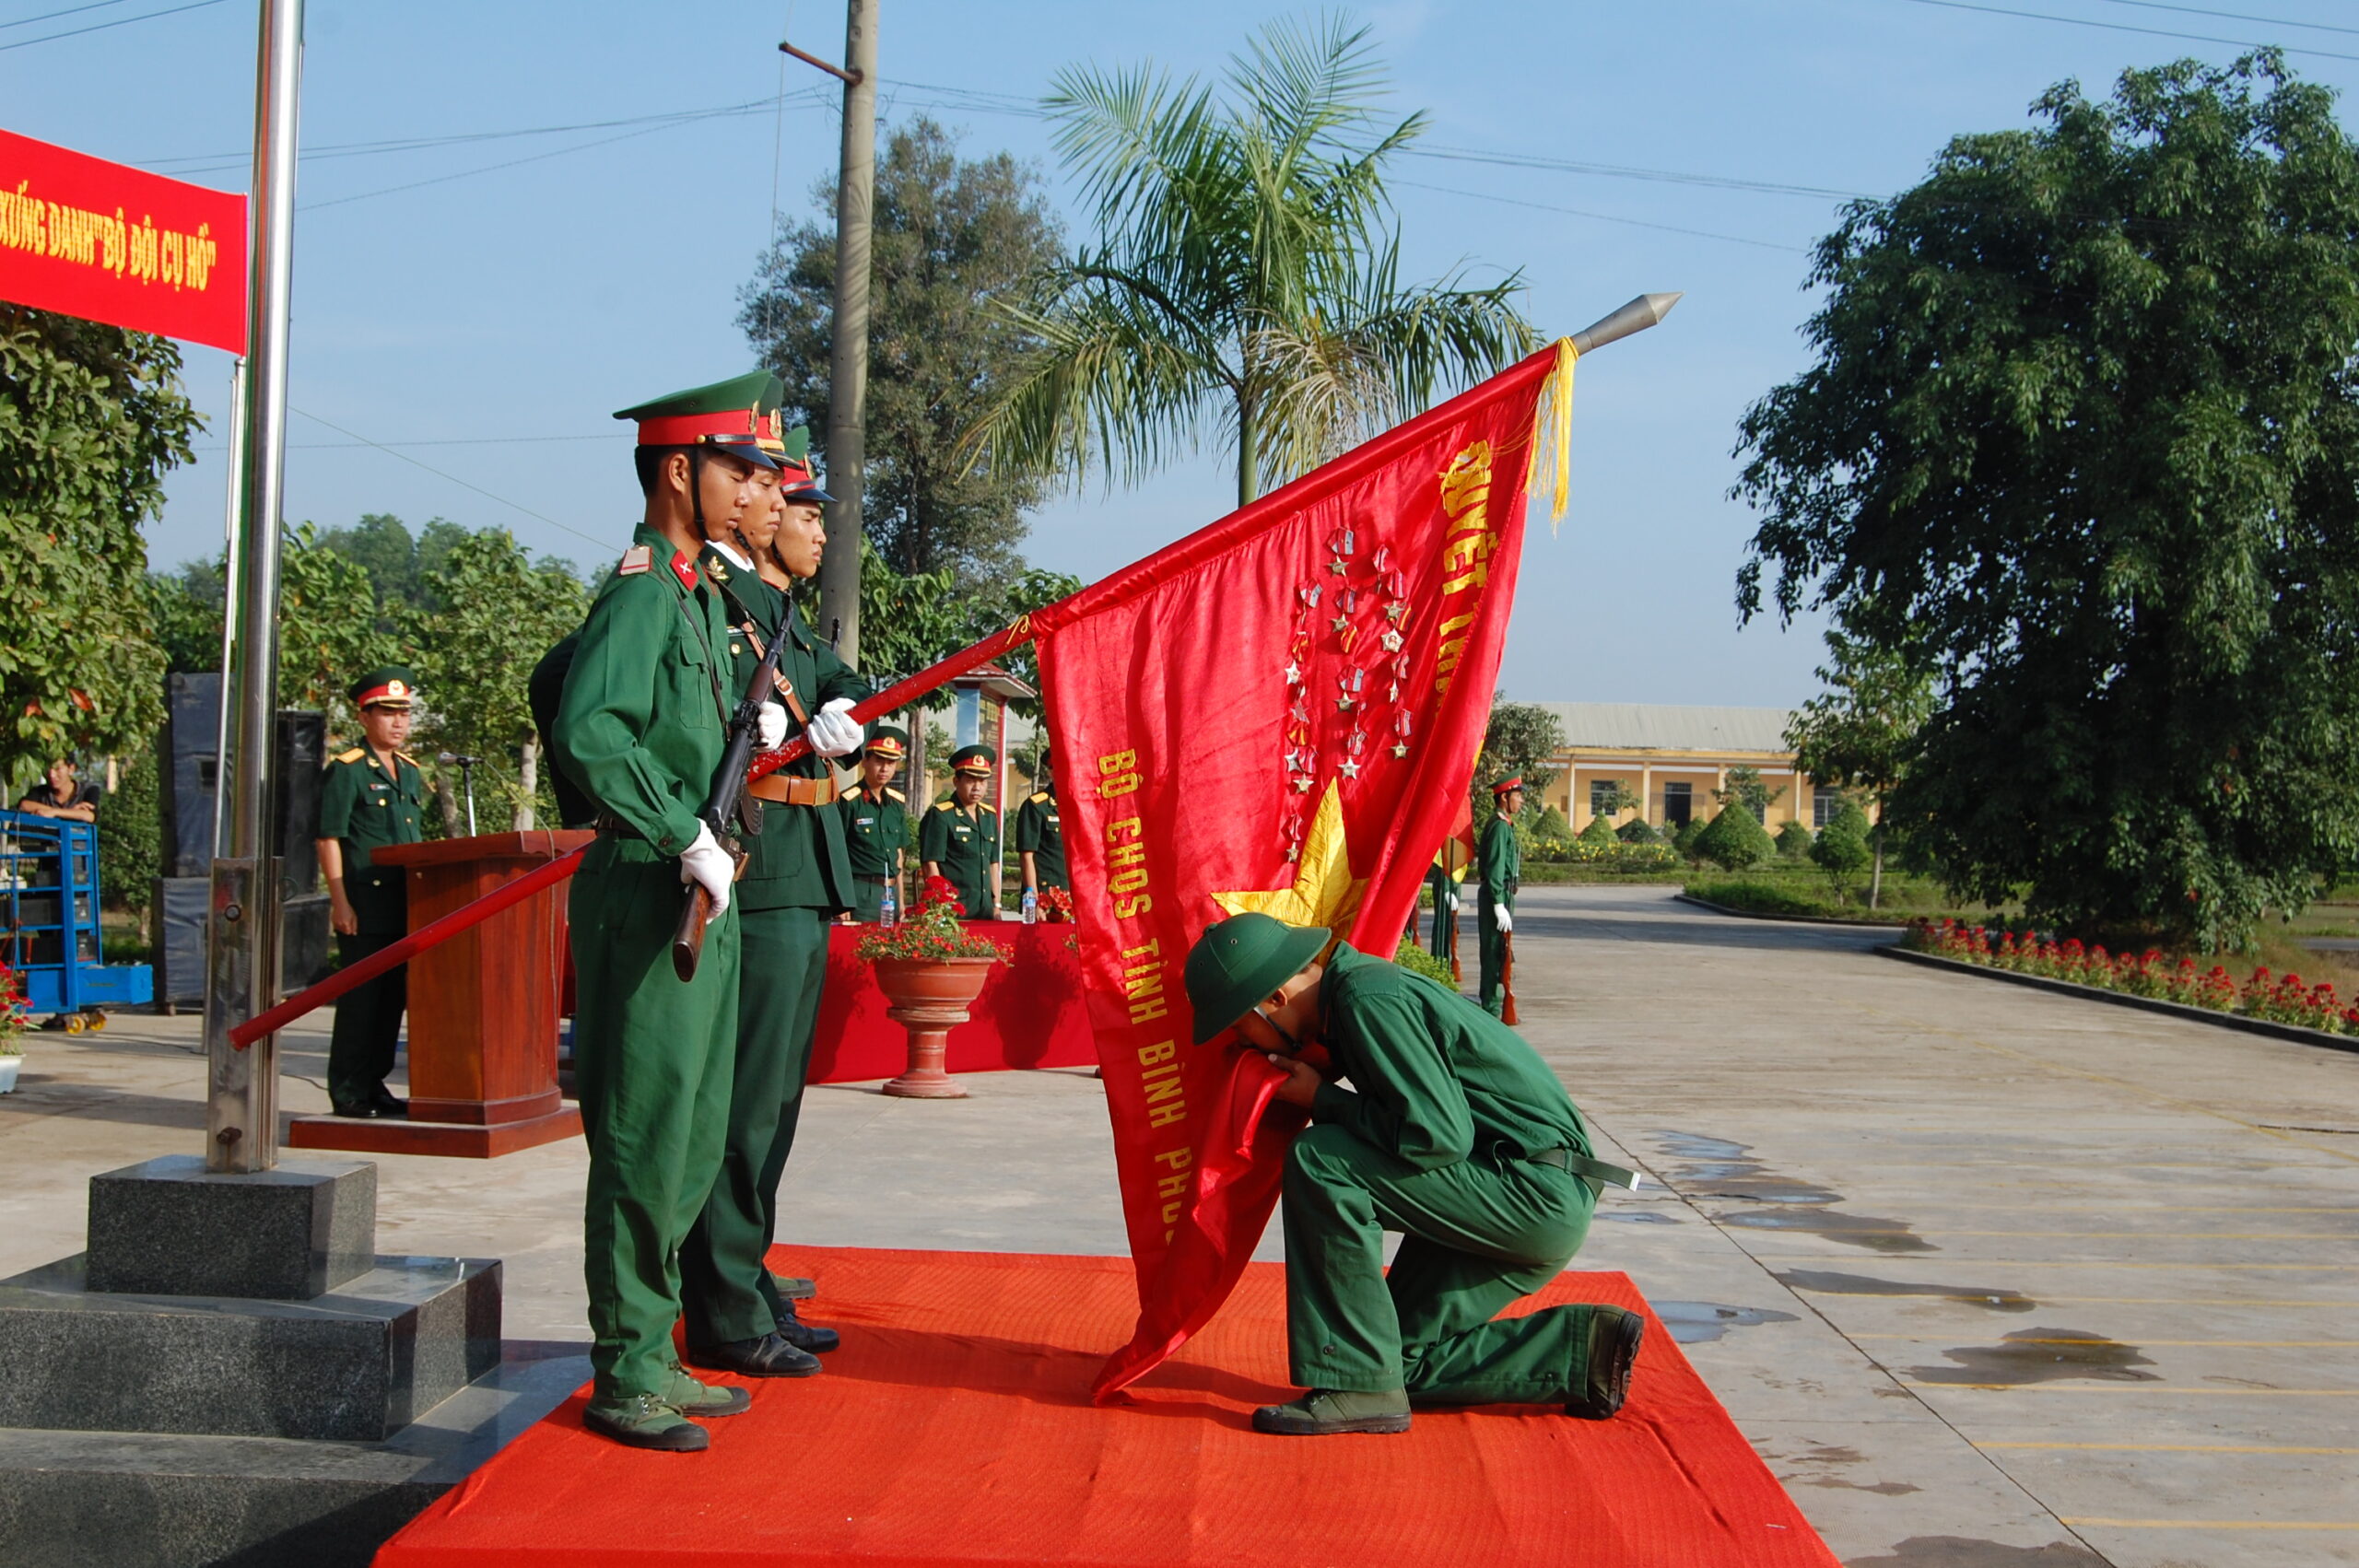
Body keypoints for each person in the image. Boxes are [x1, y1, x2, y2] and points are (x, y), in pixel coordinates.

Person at [550, 370, 792, 1452]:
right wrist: (678, 829)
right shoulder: (645, 590)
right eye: (740, 469)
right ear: (679, 470)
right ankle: (623, 1369)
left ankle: (656, 1350)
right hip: (651, 890)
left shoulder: (702, 598)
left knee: (693, 1136)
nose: (757, 489)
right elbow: (588, 727)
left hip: (703, 886)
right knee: (644, 1135)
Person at [1181, 911, 1645, 1436]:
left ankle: (1356, 1387)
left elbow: (1435, 1137)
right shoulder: (1357, 996)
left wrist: (1323, 1100)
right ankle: (1582, 1352)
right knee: (1390, 1360)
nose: (1243, 1043)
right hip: (1520, 1190)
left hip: (1529, 1194)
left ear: (1276, 1000)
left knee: (1322, 1160)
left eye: (1238, 1025)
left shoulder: (1366, 998)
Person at [677, 420, 866, 1375]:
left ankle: (743, 1280)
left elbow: (848, 685)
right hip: (759, 877)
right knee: (745, 1106)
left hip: (803, 873)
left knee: (775, 1106)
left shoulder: (779, 609)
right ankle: (719, 1301)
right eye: (800, 509)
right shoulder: (714, 594)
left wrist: (847, 718)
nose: (816, 529)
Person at [313, 670, 430, 1119]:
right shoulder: (348, 770)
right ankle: (348, 1090)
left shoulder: (411, 772)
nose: (398, 723)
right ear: (364, 717)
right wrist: (339, 901)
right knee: (362, 1002)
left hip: (405, 904)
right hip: (364, 904)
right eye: (387, 713)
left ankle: (375, 1082)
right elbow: (329, 838)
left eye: (404, 714)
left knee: (390, 1001)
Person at [838, 727, 910, 922]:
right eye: (879, 761)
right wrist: (841, 900)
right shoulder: (849, 802)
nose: (885, 768)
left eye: (891, 762)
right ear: (865, 761)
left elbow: (898, 857)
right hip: (860, 894)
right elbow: (836, 854)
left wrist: (902, 900)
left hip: (890, 895)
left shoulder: (896, 804)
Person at [921, 744, 999, 919]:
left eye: (982, 781)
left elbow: (993, 863)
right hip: (953, 908)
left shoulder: (989, 816)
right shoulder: (941, 815)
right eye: (971, 780)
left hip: (985, 908)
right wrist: (940, 904)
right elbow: (930, 863)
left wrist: (997, 904)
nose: (977, 787)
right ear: (957, 782)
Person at [1477, 776, 1523, 1018]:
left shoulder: (1504, 824)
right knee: (1495, 952)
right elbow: (1495, 867)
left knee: (1501, 951)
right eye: (1517, 796)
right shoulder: (1498, 826)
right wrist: (1498, 902)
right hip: (1498, 894)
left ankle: (1494, 1006)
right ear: (1504, 797)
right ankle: (1491, 1009)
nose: (1521, 801)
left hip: (1504, 893)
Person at [1014, 748, 1065, 904]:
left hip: (1076, 895)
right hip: (1045, 897)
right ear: (1051, 772)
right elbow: (1026, 856)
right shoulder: (1036, 806)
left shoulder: (1083, 805)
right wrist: (1034, 900)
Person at [17, 758, 98, 823]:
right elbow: (24, 805)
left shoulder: (89, 789)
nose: (52, 775)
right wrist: (72, 813)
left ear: (71, 769)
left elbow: (89, 816)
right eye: (48, 769)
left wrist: (54, 812)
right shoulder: (41, 791)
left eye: (58, 769)